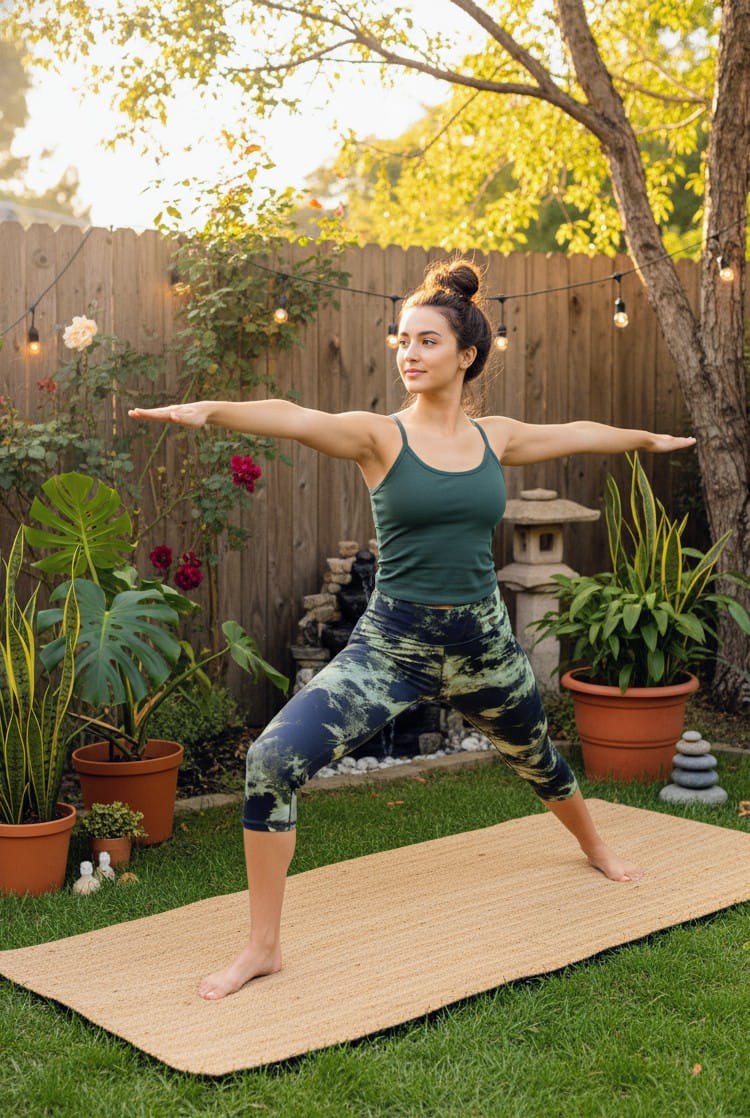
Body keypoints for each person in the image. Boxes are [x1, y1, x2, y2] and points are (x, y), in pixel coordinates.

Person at [129, 258, 696, 1001]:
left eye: (427, 341)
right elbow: (295, 416)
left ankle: (596, 846)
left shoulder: (498, 437)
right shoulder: (378, 437)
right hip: (389, 649)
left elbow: (578, 432)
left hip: (484, 648)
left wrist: (644, 441)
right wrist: (210, 410)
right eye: (403, 340)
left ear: (466, 356)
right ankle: (262, 947)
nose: (409, 352)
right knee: (271, 760)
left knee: (538, 757)